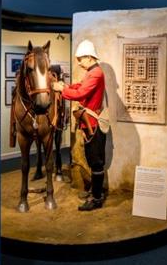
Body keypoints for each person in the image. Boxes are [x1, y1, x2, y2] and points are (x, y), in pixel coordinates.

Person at [52, 39, 106, 211]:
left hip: (93, 123)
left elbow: (81, 92)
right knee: (92, 160)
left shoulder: (96, 73)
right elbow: (80, 86)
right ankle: (96, 193)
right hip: (89, 123)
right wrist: (66, 86)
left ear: (90, 57)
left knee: (96, 161)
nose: (79, 62)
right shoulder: (92, 72)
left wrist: (62, 90)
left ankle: (96, 199)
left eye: (81, 58)